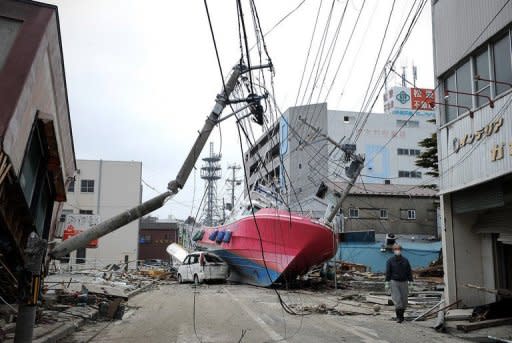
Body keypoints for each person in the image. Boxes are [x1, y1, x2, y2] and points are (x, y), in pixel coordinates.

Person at [385, 243, 413, 323]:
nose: (397, 251)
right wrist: (387, 282)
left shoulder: (405, 260)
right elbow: (388, 272)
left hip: (404, 282)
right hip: (394, 282)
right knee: (397, 300)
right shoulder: (390, 261)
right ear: (393, 250)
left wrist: (411, 282)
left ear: (401, 250)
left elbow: (409, 272)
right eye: (395, 249)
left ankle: (402, 315)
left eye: (398, 249)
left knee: (404, 301)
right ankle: (399, 317)